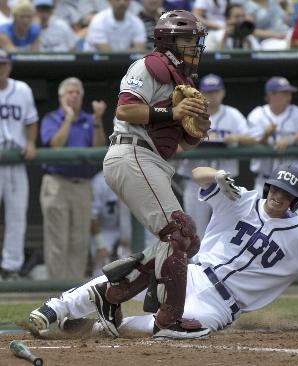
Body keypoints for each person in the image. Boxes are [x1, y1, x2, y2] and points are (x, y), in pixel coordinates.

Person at [28, 164, 298, 338]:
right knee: (130, 270)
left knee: (171, 331)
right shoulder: (242, 199)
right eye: (275, 188)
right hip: (192, 273)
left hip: (219, 305)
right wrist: (217, 174)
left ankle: (102, 329)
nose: (277, 197)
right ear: (268, 185)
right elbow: (197, 175)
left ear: (296, 201)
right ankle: (54, 309)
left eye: (286, 194)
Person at [37, 10, 210, 340]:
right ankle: (169, 320)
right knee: (179, 230)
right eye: (189, 40)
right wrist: (172, 112)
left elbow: (182, 143)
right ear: (168, 40)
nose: (194, 47)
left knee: (186, 241)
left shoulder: (183, 81)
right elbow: (126, 109)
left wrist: (196, 129)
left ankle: (111, 295)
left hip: (152, 160)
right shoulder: (149, 66)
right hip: (131, 152)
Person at [40, 77, 107, 280]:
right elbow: (55, 145)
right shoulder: (52, 118)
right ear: (61, 97)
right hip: (57, 183)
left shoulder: (89, 119)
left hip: (82, 185)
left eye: (78, 92)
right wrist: (68, 118)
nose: (74, 96)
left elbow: (99, 148)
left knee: (79, 241)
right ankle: (55, 292)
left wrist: (97, 121)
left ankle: (72, 292)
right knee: (57, 240)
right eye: (70, 92)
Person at [177, 73, 251, 238]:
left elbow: (252, 139)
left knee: (228, 230)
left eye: (216, 91)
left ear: (223, 92)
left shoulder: (233, 115)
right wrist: (194, 140)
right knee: (196, 231)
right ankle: (197, 264)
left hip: (225, 181)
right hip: (194, 181)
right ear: (200, 94)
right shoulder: (189, 114)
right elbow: (175, 147)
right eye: (208, 92)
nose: (212, 95)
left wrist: (236, 138)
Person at [247, 76, 298, 218]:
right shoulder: (257, 115)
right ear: (271, 95)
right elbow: (251, 142)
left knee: (289, 227)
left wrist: (291, 139)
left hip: (291, 186)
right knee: (257, 223)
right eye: (283, 92)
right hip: (264, 182)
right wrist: (265, 135)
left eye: (289, 92)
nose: (288, 96)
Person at [0, 49, 38, 280]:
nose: (1, 67)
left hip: (15, 159)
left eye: (4, 63)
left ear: (9, 66)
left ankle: (11, 266)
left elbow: (31, 121)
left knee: (17, 214)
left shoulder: (22, 89)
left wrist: (31, 142)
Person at [90, 171, 131, 277]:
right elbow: (93, 216)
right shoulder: (99, 182)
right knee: (102, 269)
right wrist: (100, 246)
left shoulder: (135, 177)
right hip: (105, 230)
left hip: (130, 230)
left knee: (135, 268)